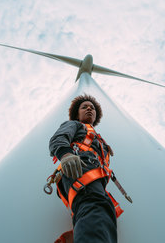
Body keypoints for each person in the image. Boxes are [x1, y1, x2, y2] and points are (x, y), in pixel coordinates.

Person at [49, 94, 118, 243]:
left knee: (101, 210)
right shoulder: (74, 125)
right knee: (96, 206)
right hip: (79, 167)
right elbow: (57, 139)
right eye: (84, 107)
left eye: (92, 108)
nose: (89, 109)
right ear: (77, 113)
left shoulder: (100, 140)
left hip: (94, 176)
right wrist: (65, 155)